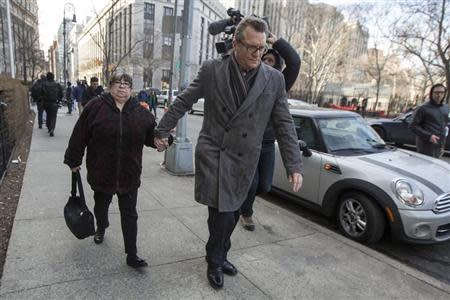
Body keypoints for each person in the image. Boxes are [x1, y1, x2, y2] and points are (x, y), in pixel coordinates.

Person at [154, 16, 303, 289]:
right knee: (220, 213)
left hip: (246, 158)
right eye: (251, 48)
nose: (258, 54)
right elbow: (185, 99)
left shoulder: (273, 80)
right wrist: (162, 130)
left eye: (262, 49)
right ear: (235, 43)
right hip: (215, 153)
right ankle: (215, 258)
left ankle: (220, 252)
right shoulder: (213, 69)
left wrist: (294, 163)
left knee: (234, 213)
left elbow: (284, 123)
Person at [64, 73, 168, 268]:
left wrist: (162, 142)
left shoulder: (141, 112)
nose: (122, 87)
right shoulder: (95, 107)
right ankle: (101, 227)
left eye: (127, 84)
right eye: (118, 84)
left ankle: (132, 254)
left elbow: (150, 137)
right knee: (100, 207)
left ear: (131, 89)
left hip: (129, 173)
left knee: (130, 214)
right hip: (102, 171)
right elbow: (80, 134)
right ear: (110, 86)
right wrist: (73, 159)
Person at [240, 31, 301, 231]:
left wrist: (277, 42)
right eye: (264, 59)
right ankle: (246, 212)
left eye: (271, 60)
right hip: (248, 142)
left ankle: (243, 203)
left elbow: (295, 62)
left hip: (267, 143)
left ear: (277, 66)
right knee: (251, 183)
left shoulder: (279, 82)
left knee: (264, 186)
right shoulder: (249, 78)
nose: (266, 63)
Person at [410, 84, 449, 158]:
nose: (439, 95)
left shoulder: (446, 107)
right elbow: (412, 126)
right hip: (426, 145)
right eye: (436, 92)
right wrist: (429, 136)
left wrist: (442, 145)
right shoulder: (422, 108)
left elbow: (445, 124)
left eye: (442, 92)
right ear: (431, 93)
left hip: (439, 145)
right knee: (424, 168)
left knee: (435, 167)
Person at [41, 72, 63, 136]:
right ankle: (52, 129)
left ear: (47, 77)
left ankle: (48, 126)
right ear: (53, 77)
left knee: (48, 115)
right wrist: (59, 100)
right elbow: (61, 94)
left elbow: (41, 93)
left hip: (46, 102)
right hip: (54, 102)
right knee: (53, 116)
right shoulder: (57, 84)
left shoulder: (44, 84)